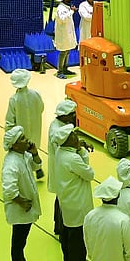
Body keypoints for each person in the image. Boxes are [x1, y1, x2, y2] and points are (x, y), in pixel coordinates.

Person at [2, 126, 43, 261]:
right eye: (23, 139)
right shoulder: (11, 164)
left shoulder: (24, 155)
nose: (27, 140)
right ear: (14, 145)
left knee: (22, 241)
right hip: (19, 210)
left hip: (26, 209)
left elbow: (37, 166)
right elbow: (8, 189)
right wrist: (22, 201)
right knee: (17, 244)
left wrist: (34, 153)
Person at [53, 123, 95, 261]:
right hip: (78, 203)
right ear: (67, 140)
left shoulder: (60, 152)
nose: (77, 137)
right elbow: (89, 173)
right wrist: (83, 151)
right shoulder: (73, 158)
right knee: (77, 238)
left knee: (67, 235)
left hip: (67, 201)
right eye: (73, 135)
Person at [48, 99, 80, 238]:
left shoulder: (60, 125)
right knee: (63, 201)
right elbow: (66, 149)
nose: (74, 116)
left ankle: (58, 226)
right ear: (65, 115)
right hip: (62, 169)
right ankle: (62, 229)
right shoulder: (57, 131)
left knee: (60, 199)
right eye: (72, 114)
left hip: (61, 168)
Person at [5, 69, 44, 179]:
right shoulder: (36, 94)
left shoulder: (14, 99)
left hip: (21, 133)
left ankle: (26, 173)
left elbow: (10, 120)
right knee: (34, 148)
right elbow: (41, 107)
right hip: (36, 128)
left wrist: (9, 134)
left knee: (23, 153)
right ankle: (38, 168)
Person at [54, 0, 77, 78]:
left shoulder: (66, 7)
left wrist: (71, 11)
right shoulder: (61, 8)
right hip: (63, 34)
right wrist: (71, 12)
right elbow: (63, 19)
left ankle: (65, 68)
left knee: (67, 51)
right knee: (63, 52)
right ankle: (60, 71)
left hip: (67, 33)